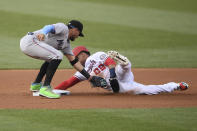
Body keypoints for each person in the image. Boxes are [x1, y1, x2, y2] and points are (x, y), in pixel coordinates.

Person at [20, 20, 107, 99]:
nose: (77, 37)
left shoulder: (66, 44)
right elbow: (49, 27)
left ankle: (36, 84)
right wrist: (43, 33)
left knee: (51, 58)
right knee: (58, 55)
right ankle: (46, 88)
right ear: (75, 29)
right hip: (30, 42)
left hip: (32, 45)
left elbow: (74, 62)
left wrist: (89, 77)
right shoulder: (63, 28)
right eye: (78, 33)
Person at [54, 46, 189, 95]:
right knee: (146, 90)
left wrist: (112, 75)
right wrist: (53, 90)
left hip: (116, 75)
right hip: (122, 85)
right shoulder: (81, 72)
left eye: (76, 56)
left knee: (121, 68)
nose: (75, 59)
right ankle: (175, 85)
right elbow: (68, 82)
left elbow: (109, 61)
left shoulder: (95, 56)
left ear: (83, 54)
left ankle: (124, 62)